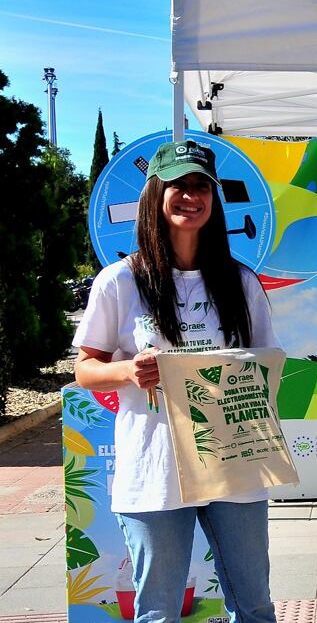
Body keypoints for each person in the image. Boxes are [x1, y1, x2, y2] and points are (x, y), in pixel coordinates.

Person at [73, 140, 278, 623]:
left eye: (200, 185)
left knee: (254, 607)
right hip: (155, 468)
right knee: (159, 613)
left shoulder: (241, 282)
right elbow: (85, 368)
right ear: (154, 196)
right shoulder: (119, 281)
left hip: (234, 465)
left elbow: (267, 363)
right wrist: (127, 371)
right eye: (178, 185)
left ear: (214, 197)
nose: (191, 196)